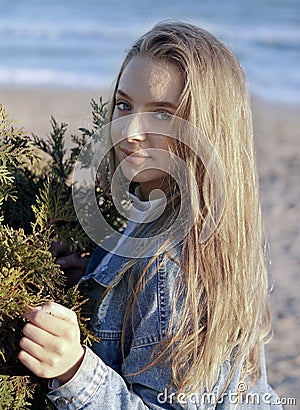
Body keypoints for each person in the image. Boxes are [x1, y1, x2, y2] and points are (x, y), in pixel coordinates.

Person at [18, 21, 283, 409]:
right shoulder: (163, 211)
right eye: (124, 105)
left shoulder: (176, 268)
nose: (130, 130)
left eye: (162, 115)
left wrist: (74, 369)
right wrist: (94, 283)